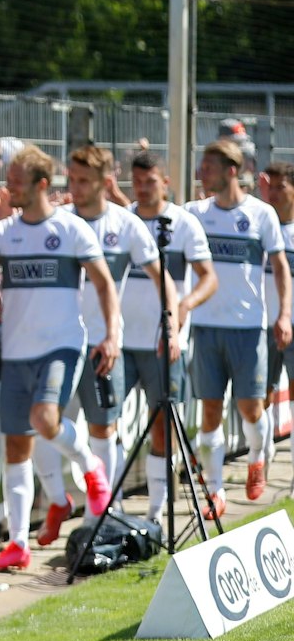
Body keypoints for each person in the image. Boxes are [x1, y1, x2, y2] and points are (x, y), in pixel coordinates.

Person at [0, 145, 118, 570]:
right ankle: (17, 544)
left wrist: (113, 334)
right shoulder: (5, 232)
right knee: (16, 447)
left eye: (15, 181)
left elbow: (104, 284)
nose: (8, 188)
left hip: (61, 345)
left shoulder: (71, 230)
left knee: (46, 419)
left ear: (41, 185)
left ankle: (91, 469)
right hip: (16, 352)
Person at [61, 146, 175, 520]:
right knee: (45, 424)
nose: (74, 188)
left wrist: (170, 326)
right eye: (72, 179)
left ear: (105, 183)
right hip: (56, 343)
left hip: (101, 343)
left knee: (103, 427)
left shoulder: (126, 226)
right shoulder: (60, 219)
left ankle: (107, 513)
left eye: (83, 181)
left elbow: (165, 280)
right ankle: (63, 498)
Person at [186, 138, 290, 515]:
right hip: (206, 325)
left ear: (231, 171)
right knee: (209, 409)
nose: (201, 174)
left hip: (248, 327)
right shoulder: (195, 213)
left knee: (250, 408)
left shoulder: (261, 214)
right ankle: (214, 491)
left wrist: (282, 315)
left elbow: (279, 267)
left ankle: (257, 459)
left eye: (208, 168)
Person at [125, 151, 216, 512]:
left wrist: (183, 306)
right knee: (107, 426)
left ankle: (155, 512)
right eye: (137, 182)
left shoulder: (183, 223)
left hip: (164, 343)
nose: (143, 189)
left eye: (151, 182)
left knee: (163, 424)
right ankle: (108, 510)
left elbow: (209, 277)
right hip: (118, 339)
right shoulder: (124, 221)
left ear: (166, 183)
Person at [257, 162, 294, 443]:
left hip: (291, 325)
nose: (274, 194)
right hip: (261, 326)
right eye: (271, 187)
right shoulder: (257, 226)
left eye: (281, 187)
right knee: (261, 399)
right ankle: (262, 463)